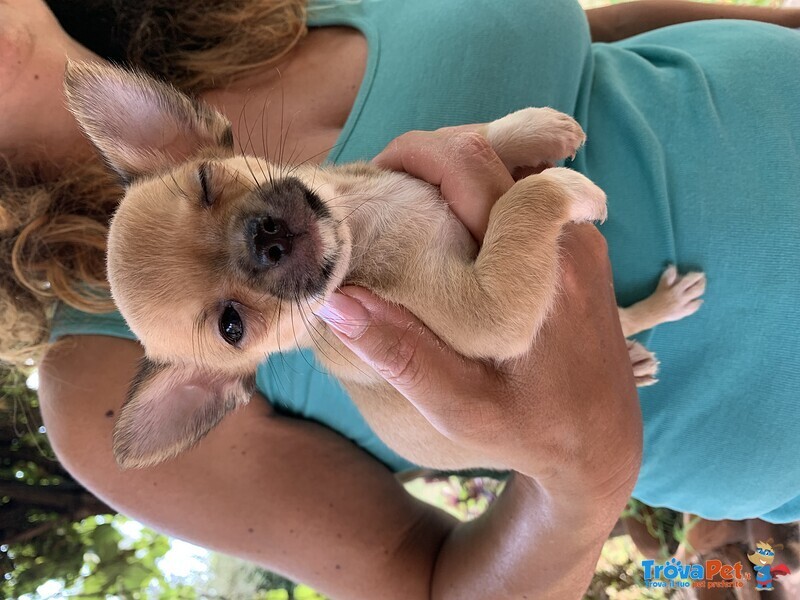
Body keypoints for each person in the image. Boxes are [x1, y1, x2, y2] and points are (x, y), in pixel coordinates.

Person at [1, 0, 799, 597]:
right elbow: (431, 587)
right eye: (233, 319)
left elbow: (597, 35)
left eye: (209, 189)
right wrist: (585, 478)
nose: (254, 248)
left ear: (182, 133)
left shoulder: (256, 15)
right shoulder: (93, 388)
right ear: (215, 385)